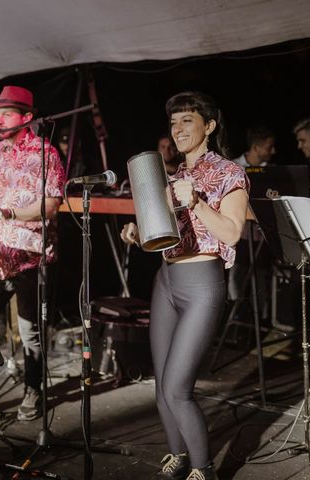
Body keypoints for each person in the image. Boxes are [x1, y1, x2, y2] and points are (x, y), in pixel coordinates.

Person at [121, 91, 249, 480]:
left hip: (202, 285)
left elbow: (231, 234)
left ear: (209, 126)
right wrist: (137, 231)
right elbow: (162, 234)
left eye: (187, 121)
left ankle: (203, 469)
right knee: (161, 386)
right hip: (167, 279)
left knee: (178, 389)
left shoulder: (230, 173)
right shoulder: (172, 175)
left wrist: (196, 203)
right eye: (173, 123)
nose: (177, 130)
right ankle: (177, 455)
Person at [0, 85, 65, 421]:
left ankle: (33, 391)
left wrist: (9, 213)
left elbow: (51, 205)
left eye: (5, 113)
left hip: (32, 254)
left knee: (30, 332)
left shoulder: (45, 152)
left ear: (26, 118)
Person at [228, 126, 276, 328]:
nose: (273, 151)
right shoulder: (234, 166)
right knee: (237, 274)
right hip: (239, 233)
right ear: (256, 147)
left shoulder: (271, 171)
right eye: (269, 147)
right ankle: (236, 315)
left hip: (260, 235)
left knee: (261, 276)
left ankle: (262, 321)